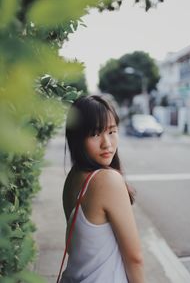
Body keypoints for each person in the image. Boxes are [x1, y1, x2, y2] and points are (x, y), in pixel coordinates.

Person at [60, 95, 144, 283]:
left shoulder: (73, 176)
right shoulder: (107, 180)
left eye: (112, 131)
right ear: (77, 138)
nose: (107, 143)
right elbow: (135, 258)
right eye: (95, 134)